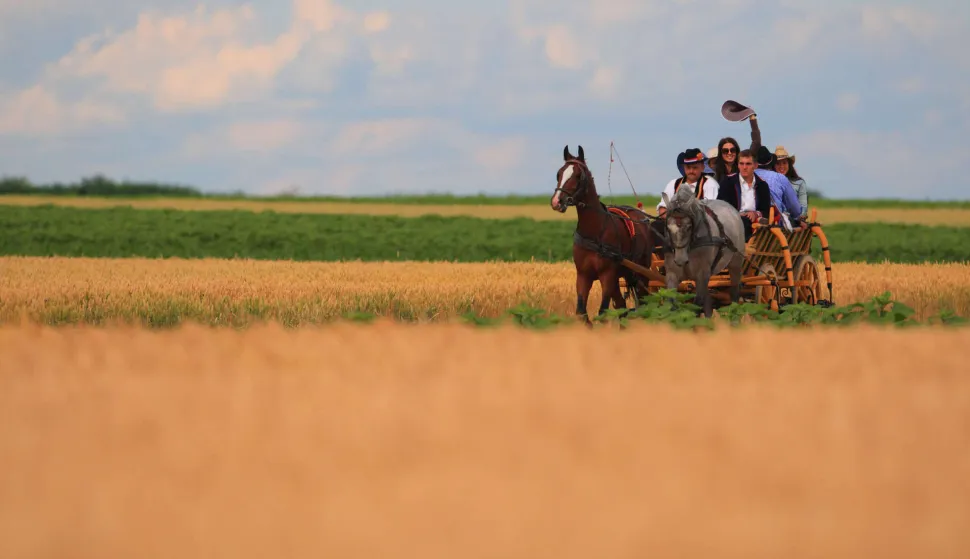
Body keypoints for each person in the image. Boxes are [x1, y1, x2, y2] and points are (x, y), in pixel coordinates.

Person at [717, 149, 773, 241]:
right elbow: (720, 206)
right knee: (743, 221)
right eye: (741, 163)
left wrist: (756, 214)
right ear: (738, 165)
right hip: (732, 221)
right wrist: (737, 214)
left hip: (755, 223)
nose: (744, 167)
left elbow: (766, 210)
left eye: (748, 164)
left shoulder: (762, 185)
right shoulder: (727, 182)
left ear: (755, 166)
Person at [657, 148, 719, 217]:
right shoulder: (673, 184)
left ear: (702, 167)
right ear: (684, 167)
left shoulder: (710, 184)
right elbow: (663, 208)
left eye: (695, 167)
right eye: (688, 167)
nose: (691, 171)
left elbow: (709, 211)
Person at [754, 146, 802, 229]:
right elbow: (796, 210)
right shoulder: (780, 178)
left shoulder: (747, 176)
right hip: (775, 224)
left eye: (784, 163)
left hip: (752, 220)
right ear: (772, 163)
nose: (781, 166)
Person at [712, 113, 762, 183]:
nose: (729, 153)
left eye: (732, 150)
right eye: (725, 151)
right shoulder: (715, 171)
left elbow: (756, 142)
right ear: (721, 153)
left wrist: (752, 118)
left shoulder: (742, 165)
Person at [773, 145, 808, 219]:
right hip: (776, 219)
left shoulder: (799, 182)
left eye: (784, 163)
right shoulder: (770, 182)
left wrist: (800, 217)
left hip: (795, 220)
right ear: (773, 166)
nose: (781, 166)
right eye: (778, 163)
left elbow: (803, 206)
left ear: (789, 165)